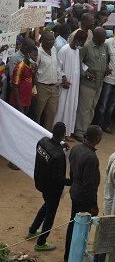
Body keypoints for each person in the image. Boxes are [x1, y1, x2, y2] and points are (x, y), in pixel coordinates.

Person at [27, 122, 71, 251]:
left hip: (41, 183)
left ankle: (32, 230)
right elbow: (58, 178)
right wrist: (72, 182)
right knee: (50, 214)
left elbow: (51, 147)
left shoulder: (42, 142)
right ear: (63, 134)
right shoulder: (58, 155)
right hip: (52, 189)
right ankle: (41, 243)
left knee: (46, 206)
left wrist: (60, 145)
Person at [64, 125, 102, 261]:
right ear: (97, 138)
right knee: (81, 227)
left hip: (75, 192)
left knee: (72, 222)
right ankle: (74, 255)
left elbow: (72, 171)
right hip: (84, 198)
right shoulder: (91, 157)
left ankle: (68, 254)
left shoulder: (76, 148)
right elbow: (88, 184)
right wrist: (93, 204)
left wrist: (74, 183)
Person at [74, 28, 108, 142]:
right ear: (97, 36)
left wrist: (106, 69)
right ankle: (79, 132)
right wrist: (85, 74)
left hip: (99, 83)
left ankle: (86, 131)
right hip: (87, 84)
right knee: (84, 109)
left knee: (92, 108)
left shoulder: (104, 47)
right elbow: (78, 63)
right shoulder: (86, 47)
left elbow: (104, 61)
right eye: (103, 36)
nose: (105, 38)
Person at [35, 31, 63, 131]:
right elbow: (34, 71)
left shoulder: (54, 50)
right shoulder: (38, 52)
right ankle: (35, 132)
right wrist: (35, 89)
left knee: (51, 113)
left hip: (53, 87)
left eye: (53, 39)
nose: (51, 42)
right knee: (38, 113)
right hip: (42, 86)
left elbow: (57, 67)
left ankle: (47, 133)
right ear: (42, 41)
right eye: (49, 40)